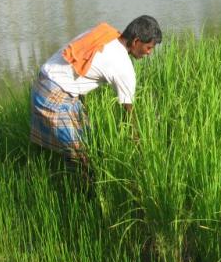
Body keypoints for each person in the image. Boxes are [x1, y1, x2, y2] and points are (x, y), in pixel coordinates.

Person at [30, 15, 162, 179]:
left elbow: (79, 67)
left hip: (44, 83)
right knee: (83, 157)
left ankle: (65, 179)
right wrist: (142, 153)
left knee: (90, 142)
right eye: (149, 47)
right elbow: (129, 117)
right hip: (54, 96)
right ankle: (83, 196)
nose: (149, 53)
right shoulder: (123, 67)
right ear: (136, 42)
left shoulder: (104, 33)